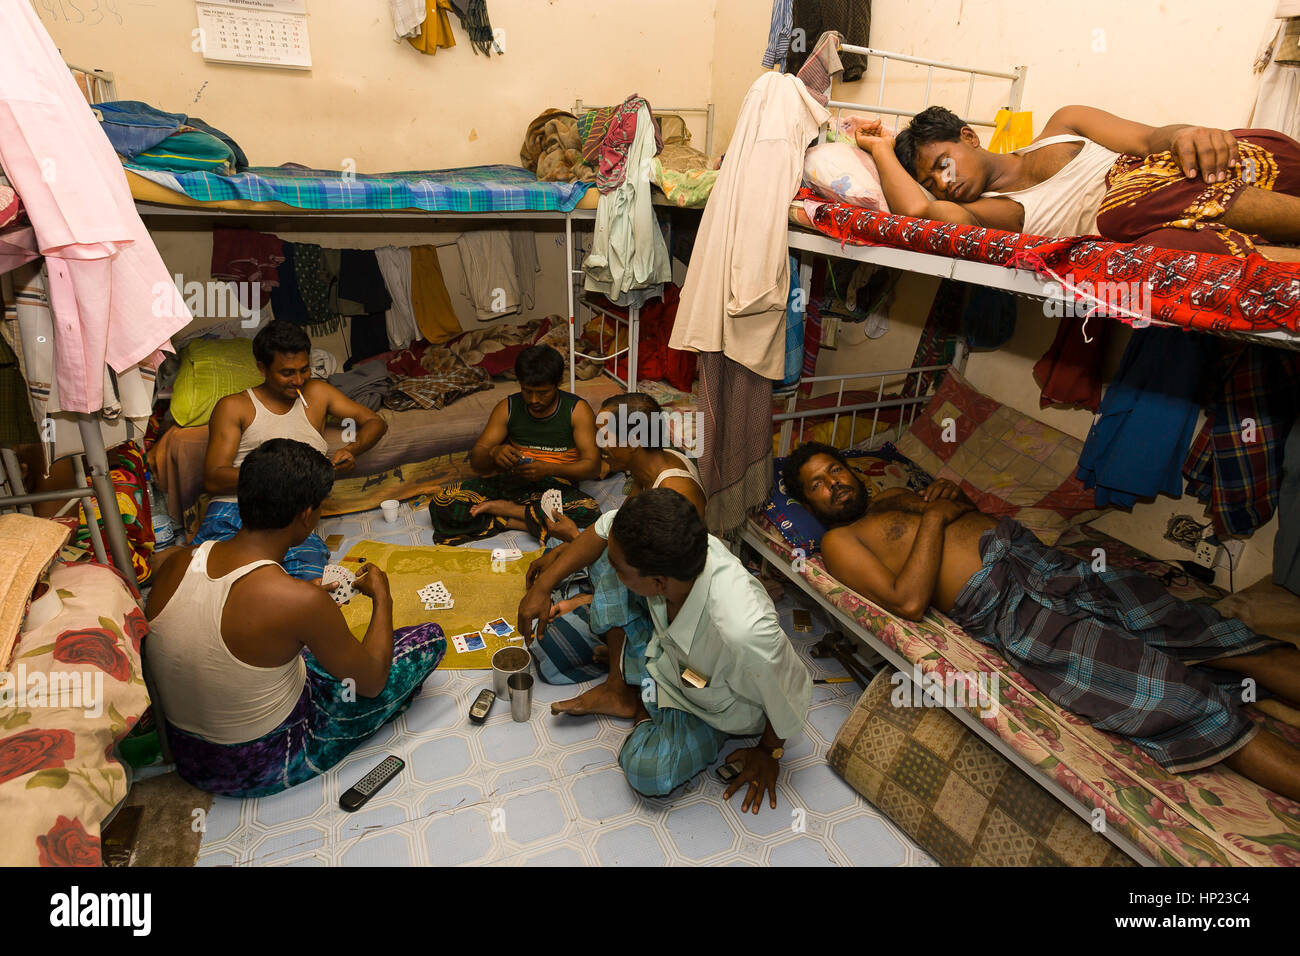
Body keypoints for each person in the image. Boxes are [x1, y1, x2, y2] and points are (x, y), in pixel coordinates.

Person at [783, 441, 1300, 801]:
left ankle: (1251, 670)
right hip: (1014, 608)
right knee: (1176, 693)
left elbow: (967, 514)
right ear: (809, 504)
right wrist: (936, 519)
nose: (834, 483)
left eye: (836, 470)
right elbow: (910, 600)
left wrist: (952, 502)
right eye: (818, 485)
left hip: (1048, 564)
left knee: (1209, 633)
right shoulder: (839, 543)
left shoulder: (895, 495)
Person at [146, 439, 446, 797]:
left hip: (187, 755)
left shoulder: (176, 561)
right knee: (429, 639)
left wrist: (303, 605)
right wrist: (383, 597)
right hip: (261, 763)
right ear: (307, 515)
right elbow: (371, 683)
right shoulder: (298, 600)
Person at [517, 489, 812, 808]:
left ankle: (641, 699)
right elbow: (607, 527)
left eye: (620, 570)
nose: (613, 572)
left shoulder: (744, 630)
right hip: (670, 656)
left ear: (658, 583)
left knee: (648, 773)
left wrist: (770, 750)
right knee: (604, 555)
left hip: (712, 703)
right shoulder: (669, 547)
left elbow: (790, 688)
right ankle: (622, 686)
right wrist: (542, 586)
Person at [850, 105, 1300, 259]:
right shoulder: (1002, 212)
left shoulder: (1066, 123)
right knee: (1142, 232)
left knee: (1235, 144)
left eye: (943, 164)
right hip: (1161, 222)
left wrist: (1187, 135)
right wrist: (881, 149)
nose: (943, 183)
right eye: (932, 180)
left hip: (1217, 176)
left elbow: (1148, 139)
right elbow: (920, 215)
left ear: (968, 136)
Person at [530, 391, 706, 685]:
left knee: (551, 648)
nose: (600, 445)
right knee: (559, 547)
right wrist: (571, 546)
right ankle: (592, 605)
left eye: (606, 436)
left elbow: (657, 576)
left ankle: (620, 679)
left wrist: (578, 549)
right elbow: (620, 529)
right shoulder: (648, 467)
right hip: (637, 571)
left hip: (668, 600)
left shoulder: (675, 489)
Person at [196, 319, 388, 581]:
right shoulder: (235, 406)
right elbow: (213, 478)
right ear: (262, 368)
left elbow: (375, 422)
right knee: (213, 577)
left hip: (291, 517)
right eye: (287, 373)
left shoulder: (318, 393)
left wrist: (352, 449)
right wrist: (282, 477)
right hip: (235, 509)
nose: (298, 380)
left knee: (307, 582)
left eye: (304, 369)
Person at [428, 345, 601, 545]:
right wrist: (494, 452)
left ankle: (504, 513)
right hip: (513, 482)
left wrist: (549, 469)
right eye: (527, 391)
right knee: (442, 502)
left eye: (543, 392)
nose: (534, 400)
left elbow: (592, 466)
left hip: (556, 487)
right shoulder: (507, 407)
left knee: (588, 510)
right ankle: (521, 520)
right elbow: (477, 460)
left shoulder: (577, 411)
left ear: (558, 383)